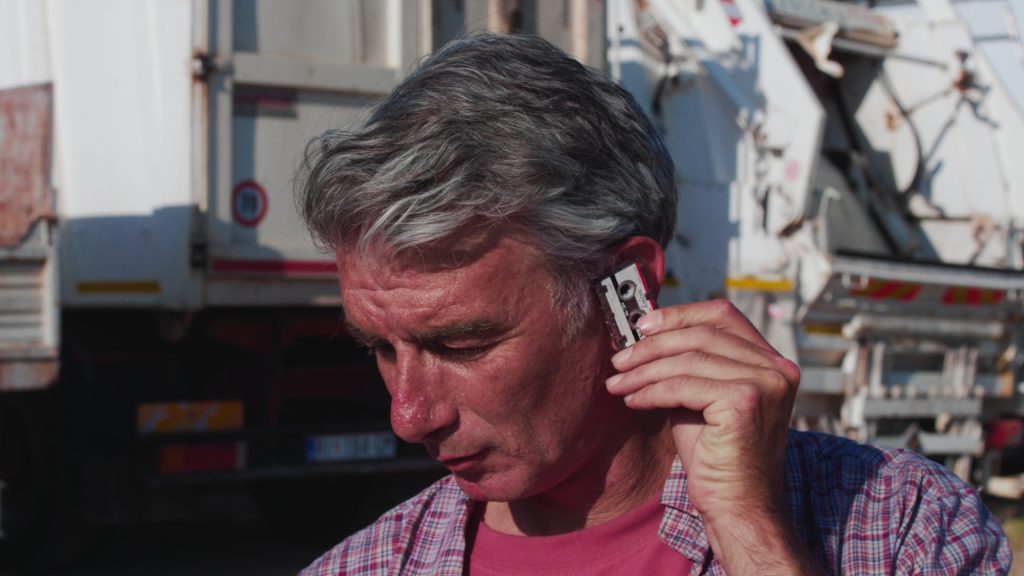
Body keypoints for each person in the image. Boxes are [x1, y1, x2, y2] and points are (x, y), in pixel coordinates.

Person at [295, 33, 1010, 575]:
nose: (408, 415)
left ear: (625, 289)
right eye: (381, 348)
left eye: (461, 344)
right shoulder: (364, 566)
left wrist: (750, 532)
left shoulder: (901, 524)